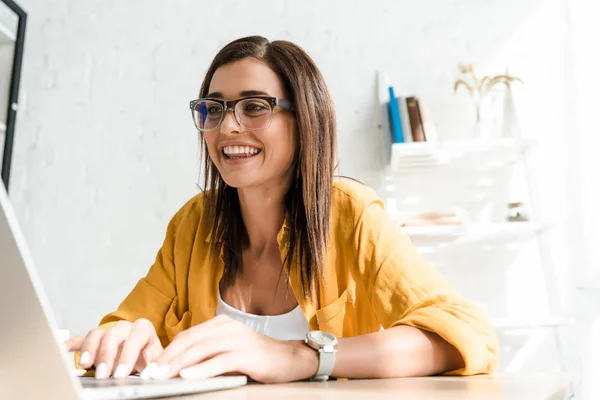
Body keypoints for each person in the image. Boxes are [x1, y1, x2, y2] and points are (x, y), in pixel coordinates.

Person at [66, 35, 498, 383]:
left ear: (305, 119)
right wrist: (120, 339)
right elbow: (122, 327)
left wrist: (300, 356)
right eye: (213, 109)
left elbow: (467, 333)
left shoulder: (352, 215)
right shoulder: (193, 223)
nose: (229, 126)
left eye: (255, 107)